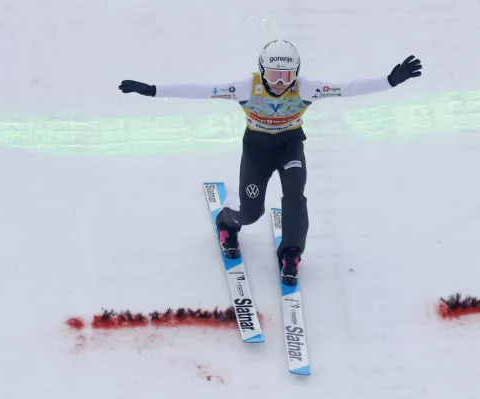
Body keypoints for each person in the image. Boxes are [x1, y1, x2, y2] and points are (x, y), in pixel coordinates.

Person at [119, 40, 422, 285]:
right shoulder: (245, 88)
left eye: (287, 76)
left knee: (295, 194)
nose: (279, 83)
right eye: (274, 75)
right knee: (251, 213)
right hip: (257, 150)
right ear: (262, 71)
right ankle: (227, 221)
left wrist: (390, 81)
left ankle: (291, 252)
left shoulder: (307, 88)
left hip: (290, 148)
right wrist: (153, 90)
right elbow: (201, 90)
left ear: (297, 74)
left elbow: (348, 88)